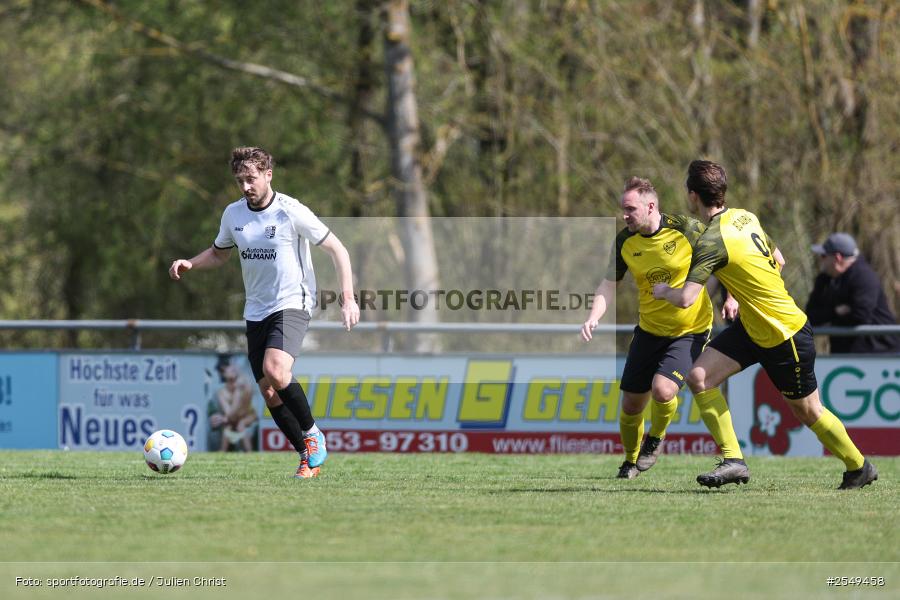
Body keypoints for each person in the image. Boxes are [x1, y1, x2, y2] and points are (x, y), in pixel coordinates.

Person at [652, 160, 877, 489]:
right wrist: (740, 296)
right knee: (700, 377)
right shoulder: (746, 217)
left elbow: (687, 298)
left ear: (692, 196)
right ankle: (733, 461)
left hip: (784, 334)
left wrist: (664, 291)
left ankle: (859, 467)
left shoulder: (711, 240)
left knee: (809, 412)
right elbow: (779, 259)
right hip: (752, 328)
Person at [170, 146, 360, 478]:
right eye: (240, 180)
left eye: (251, 178)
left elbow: (337, 248)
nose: (245, 186)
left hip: (293, 302)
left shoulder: (290, 211)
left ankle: (313, 433)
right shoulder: (233, 214)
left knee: (276, 368)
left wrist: (348, 297)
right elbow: (219, 254)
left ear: (268, 175)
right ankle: (305, 455)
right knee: (268, 391)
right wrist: (191, 263)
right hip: (256, 309)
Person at [582, 176, 745, 481]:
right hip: (648, 330)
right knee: (631, 406)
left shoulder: (686, 228)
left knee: (663, 389)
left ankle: (655, 438)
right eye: (623, 209)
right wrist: (594, 317)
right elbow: (608, 284)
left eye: (630, 209)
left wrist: (731, 297)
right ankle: (630, 461)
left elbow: (724, 257)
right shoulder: (624, 241)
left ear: (651, 206)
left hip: (690, 330)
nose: (624, 215)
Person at [806, 233, 900, 354]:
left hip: (881, 354)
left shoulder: (864, 276)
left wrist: (830, 315)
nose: (821, 259)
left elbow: (860, 316)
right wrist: (835, 311)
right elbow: (810, 316)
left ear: (837, 258)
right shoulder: (824, 279)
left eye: (824, 256)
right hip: (845, 356)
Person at [216, 365, 258, 452]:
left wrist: (238, 392)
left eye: (233, 369)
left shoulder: (245, 387)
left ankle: (249, 454)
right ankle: (222, 454)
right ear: (224, 374)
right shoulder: (222, 393)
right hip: (231, 420)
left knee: (241, 424)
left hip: (247, 417)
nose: (232, 369)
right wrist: (237, 394)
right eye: (228, 369)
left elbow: (246, 410)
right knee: (228, 428)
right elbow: (229, 414)